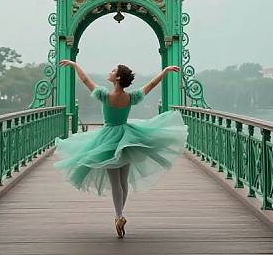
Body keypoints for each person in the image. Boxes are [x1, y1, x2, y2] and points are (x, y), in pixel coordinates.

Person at [53, 60, 188, 239]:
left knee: (115, 181)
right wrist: (165, 71)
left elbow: (85, 80)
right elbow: (152, 85)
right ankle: (119, 214)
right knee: (123, 180)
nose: (109, 72)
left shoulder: (104, 95)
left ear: (117, 78)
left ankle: (119, 216)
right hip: (127, 137)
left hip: (108, 138)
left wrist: (74, 65)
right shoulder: (130, 97)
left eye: (112, 70)